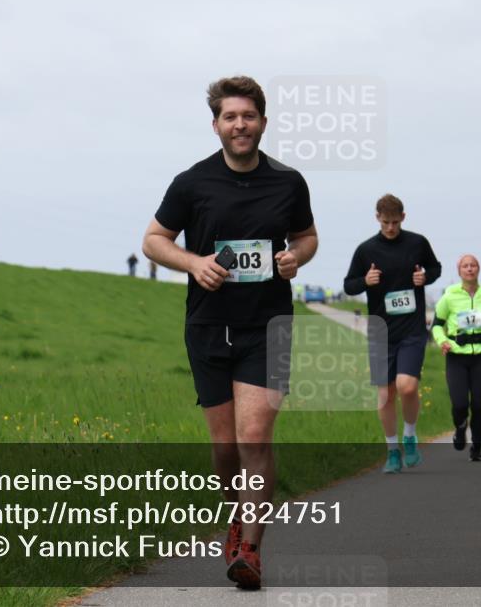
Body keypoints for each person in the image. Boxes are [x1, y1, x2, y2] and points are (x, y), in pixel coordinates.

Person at [142, 76, 318, 590]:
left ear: (263, 121)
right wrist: (193, 263)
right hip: (208, 326)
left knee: (255, 436)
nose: (240, 125)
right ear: (217, 124)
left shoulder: (289, 182)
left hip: (268, 326)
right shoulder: (192, 182)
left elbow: (306, 236)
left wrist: (294, 257)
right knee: (224, 450)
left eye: (249, 116)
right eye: (230, 117)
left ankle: (251, 550)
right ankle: (238, 518)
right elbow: (154, 240)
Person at [343, 194, 441, 473]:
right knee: (385, 393)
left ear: (403, 218)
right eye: (386, 222)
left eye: (395, 222)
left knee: (407, 386)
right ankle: (392, 451)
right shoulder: (366, 250)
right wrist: (365, 280)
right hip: (381, 331)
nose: (390, 228)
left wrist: (426, 277)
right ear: (377, 218)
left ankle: (410, 436)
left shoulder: (417, 243)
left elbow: (435, 268)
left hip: (411, 328)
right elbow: (349, 285)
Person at [431, 254, 481, 462]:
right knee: (460, 403)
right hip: (456, 356)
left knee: (479, 405)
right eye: (465, 266)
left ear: (478, 269)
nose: (469, 269)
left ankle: (477, 446)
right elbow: (437, 324)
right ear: (459, 271)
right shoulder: (449, 295)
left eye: (473, 265)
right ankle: (460, 427)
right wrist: (441, 340)